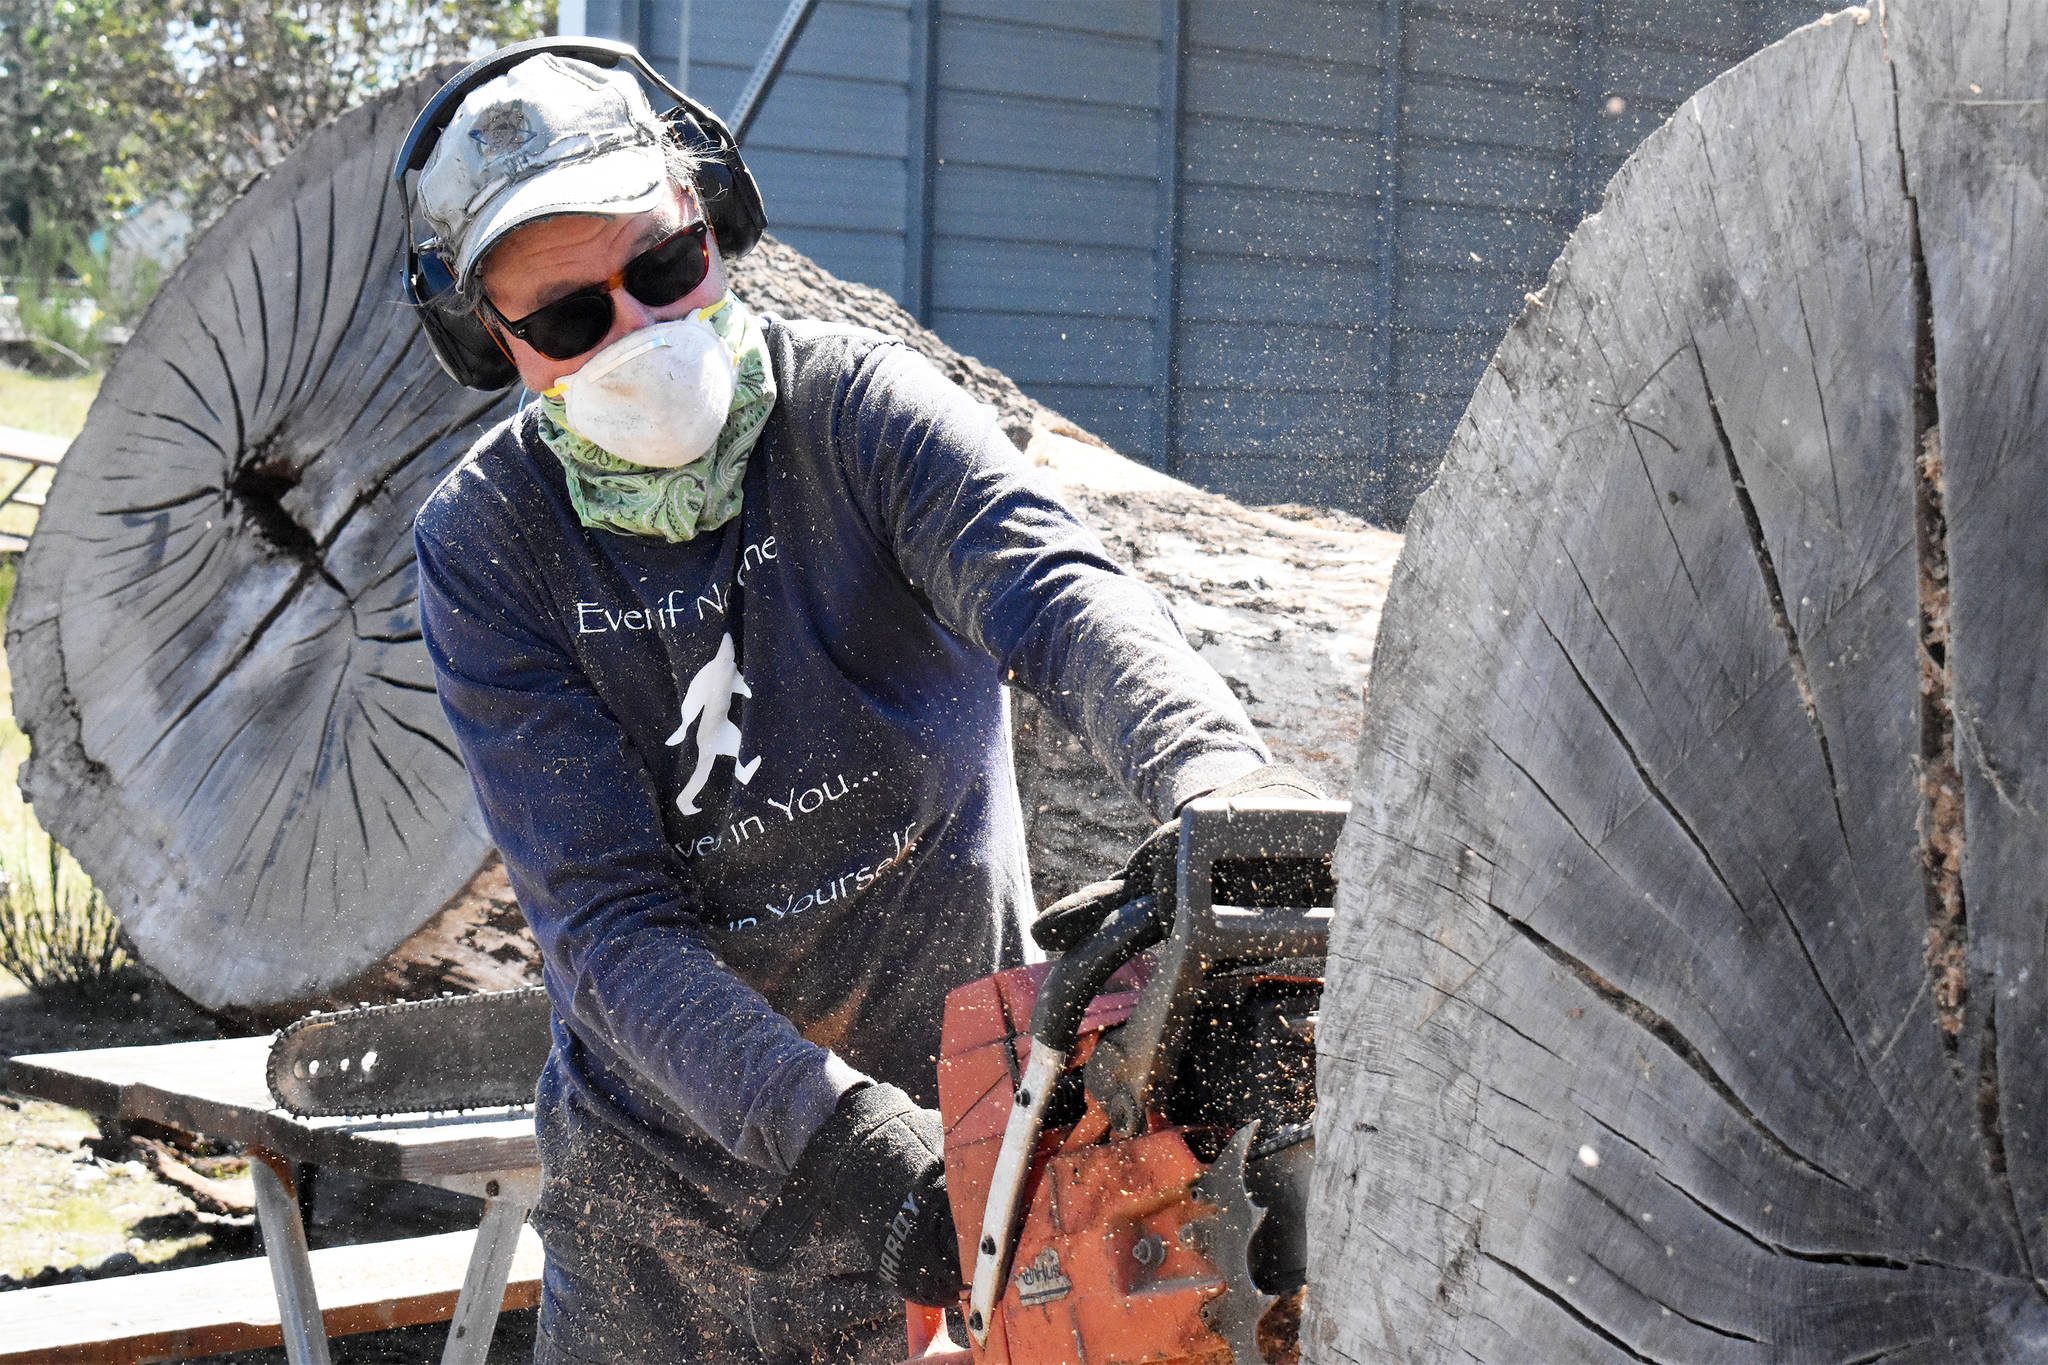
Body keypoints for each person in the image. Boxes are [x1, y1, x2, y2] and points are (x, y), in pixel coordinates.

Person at [403, 39, 1318, 1365]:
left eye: (663, 272)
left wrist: (1215, 779)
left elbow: (1058, 591)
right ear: (492, 340)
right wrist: (842, 1130)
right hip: (660, 1212)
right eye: (569, 318)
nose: (640, 333)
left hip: (960, 1133)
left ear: (712, 228)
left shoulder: (856, 417)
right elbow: (606, 925)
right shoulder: (491, 544)